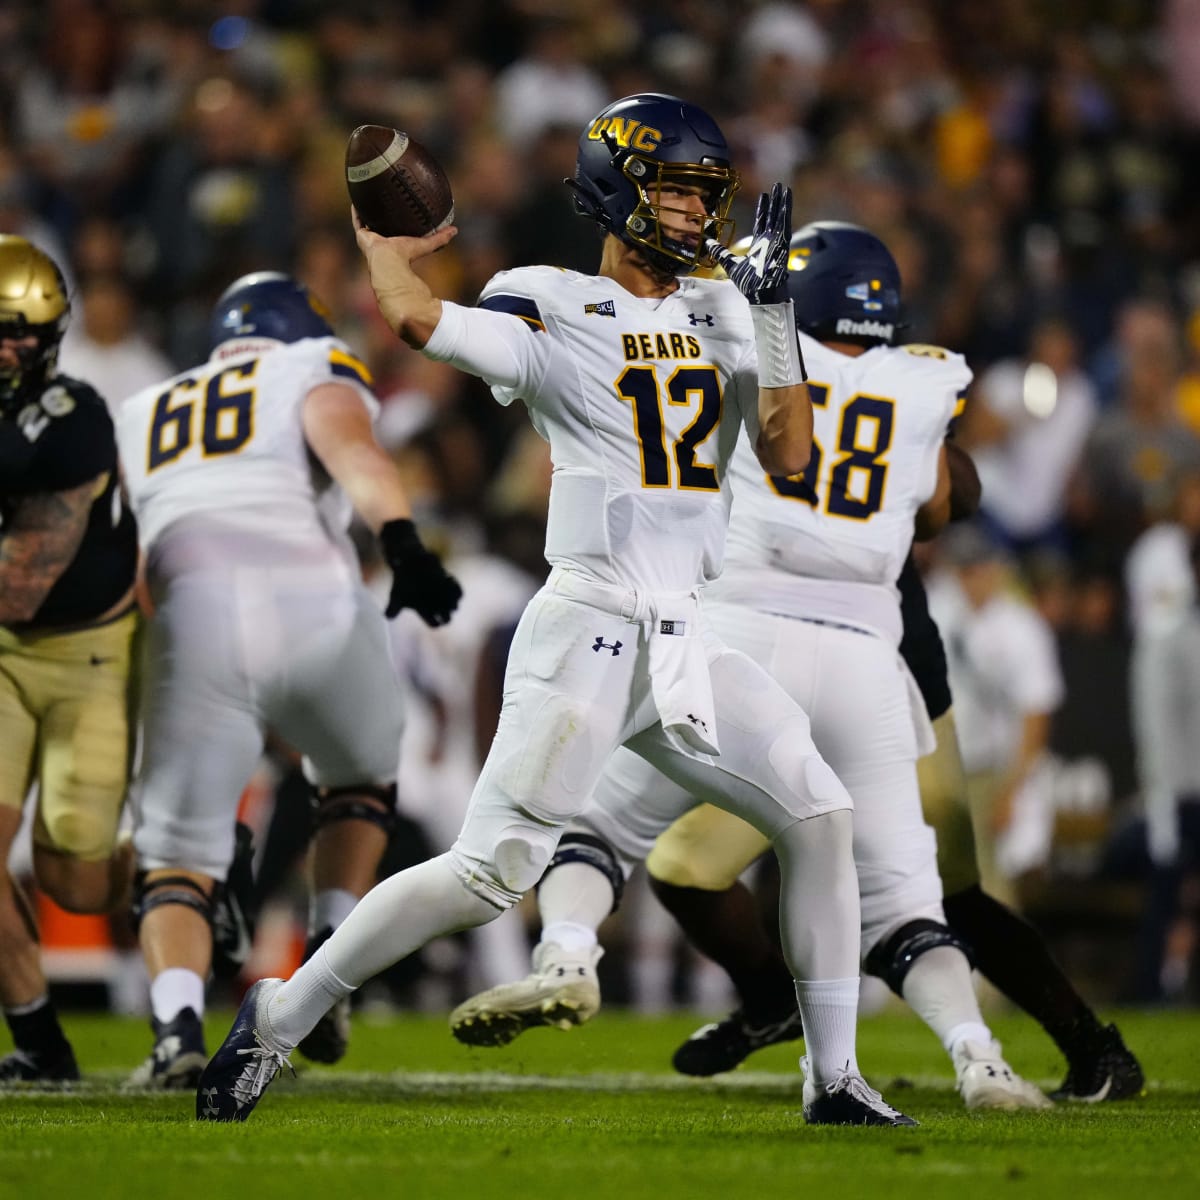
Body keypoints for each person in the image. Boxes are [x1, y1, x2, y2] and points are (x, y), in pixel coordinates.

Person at [198, 92, 913, 1128]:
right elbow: (415, 320)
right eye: (672, 192)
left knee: (819, 816)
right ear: (618, 189)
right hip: (589, 623)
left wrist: (772, 318)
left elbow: (793, 455)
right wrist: (386, 245)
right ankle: (278, 1015)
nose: (691, 215)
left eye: (702, 196)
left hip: (684, 632)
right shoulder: (551, 302)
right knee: (486, 876)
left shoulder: (722, 308)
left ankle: (834, 1079)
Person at [448, 223, 1049, 1111]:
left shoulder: (739, 336)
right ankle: (979, 1058)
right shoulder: (919, 378)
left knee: (604, 824)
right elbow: (949, 502)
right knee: (901, 895)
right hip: (864, 660)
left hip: (734, 633)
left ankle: (571, 950)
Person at [115, 271, 461, 1088]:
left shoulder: (142, 409)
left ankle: (175, 1036)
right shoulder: (312, 364)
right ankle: (328, 961)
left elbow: (122, 556)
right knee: (361, 777)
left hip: (190, 609)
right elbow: (350, 444)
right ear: (300, 327)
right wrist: (403, 542)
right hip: (313, 602)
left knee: (176, 856)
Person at [0, 234, 140, 1083]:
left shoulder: (73, 418)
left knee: (77, 880)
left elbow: (20, 584)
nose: (11, 348)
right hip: (4, 660)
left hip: (86, 653)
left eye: (26, 332)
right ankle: (40, 1042)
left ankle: (177, 870)